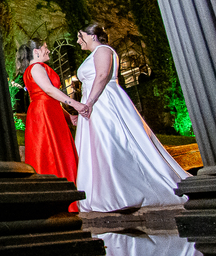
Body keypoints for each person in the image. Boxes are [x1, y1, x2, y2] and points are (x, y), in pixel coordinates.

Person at [74, 22, 188, 212]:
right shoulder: (94, 54)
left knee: (113, 143)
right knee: (98, 147)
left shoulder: (103, 50)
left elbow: (102, 75)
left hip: (104, 102)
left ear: (92, 36)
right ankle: (104, 191)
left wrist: (89, 103)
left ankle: (125, 191)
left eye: (80, 36)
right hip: (93, 102)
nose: (78, 41)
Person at [16, 39, 84, 212]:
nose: (49, 51)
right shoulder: (35, 68)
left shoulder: (41, 68)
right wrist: (75, 104)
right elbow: (49, 90)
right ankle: (59, 197)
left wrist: (69, 117)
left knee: (60, 151)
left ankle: (69, 195)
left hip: (51, 111)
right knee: (50, 152)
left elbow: (52, 98)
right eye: (45, 48)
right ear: (36, 52)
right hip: (43, 114)